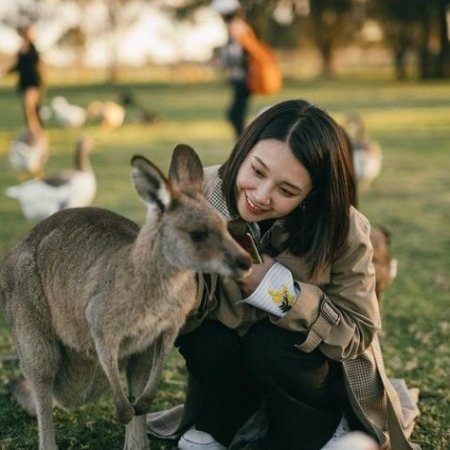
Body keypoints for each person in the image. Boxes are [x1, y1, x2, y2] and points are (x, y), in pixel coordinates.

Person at [146, 99, 420, 450]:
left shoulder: (345, 229)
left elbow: (359, 333)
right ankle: (227, 419)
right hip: (228, 362)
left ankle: (323, 429)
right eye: (257, 171)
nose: (261, 196)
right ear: (243, 150)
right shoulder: (198, 195)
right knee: (209, 340)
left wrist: (278, 290)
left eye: (287, 190)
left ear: (313, 193)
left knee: (269, 344)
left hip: (303, 375)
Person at [211, 0, 252, 139]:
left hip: (243, 78)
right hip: (242, 78)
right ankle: (243, 144)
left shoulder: (235, 27)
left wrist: (221, 63)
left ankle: (244, 145)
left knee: (235, 116)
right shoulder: (240, 25)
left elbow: (236, 53)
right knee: (236, 115)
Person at [0, 24, 44, 136]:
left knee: (31, 107)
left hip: (33, 83)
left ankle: (36, 130)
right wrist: (5, 72)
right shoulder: (21, 49)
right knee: (28, 108)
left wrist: (25, 51)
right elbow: (18, 66)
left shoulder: (33, 49)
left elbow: (33, 63)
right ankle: (32, 129)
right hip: (25, 83)